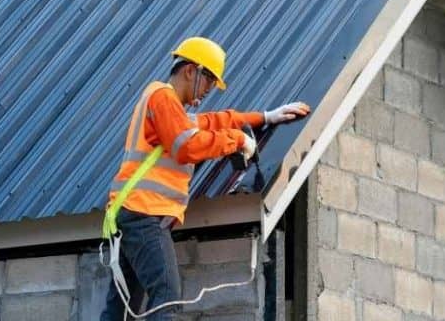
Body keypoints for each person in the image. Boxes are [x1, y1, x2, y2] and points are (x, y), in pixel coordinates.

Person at [101, 36, 310, 320]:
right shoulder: (162, 97)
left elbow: (213, 120)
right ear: (191, 71)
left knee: (121, 309)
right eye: (209, 81)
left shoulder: (169, 107)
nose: (209, 90)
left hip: (131, 214)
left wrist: (264, 117)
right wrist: (237, 140)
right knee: (166, 300)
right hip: (145, 215)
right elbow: (187, 146)